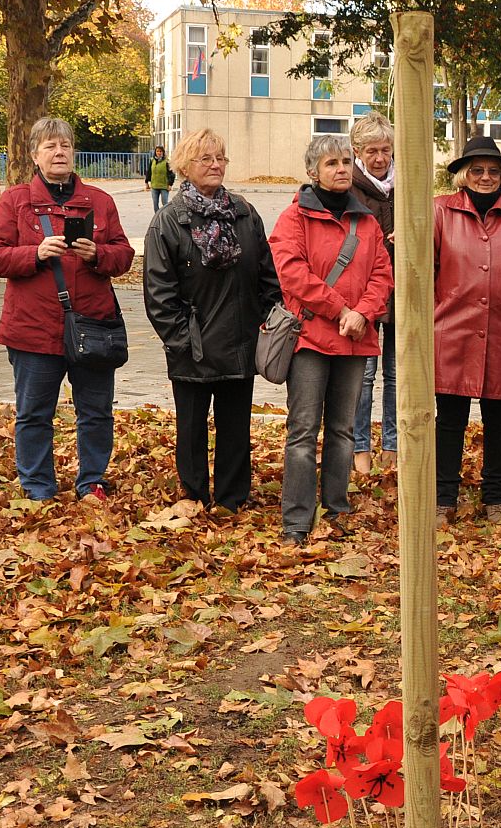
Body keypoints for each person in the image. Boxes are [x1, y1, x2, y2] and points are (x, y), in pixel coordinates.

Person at [0, 117, 135, 501]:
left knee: (96, 412)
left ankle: (92, 481)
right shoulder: (16, 200)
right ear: (35, 154)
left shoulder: (100, 201)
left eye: (65, 145)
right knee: (34, 414)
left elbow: (125, 254)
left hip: (93, 326)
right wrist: (33, 253)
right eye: (50, 146)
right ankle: (38, 487)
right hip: (33, 329)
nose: (59, 152)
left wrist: (98, 253)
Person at [143, 128, 281, 513]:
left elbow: (266, 275)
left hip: (239, 341)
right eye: (206, 158)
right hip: (195, 346)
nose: (216, 164)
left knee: (236, 427)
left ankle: (232, 498)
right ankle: (194, 496)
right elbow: (159, 295)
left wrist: (267, 321)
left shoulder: (243, 213)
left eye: (220, 157)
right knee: (191, 428)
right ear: (186, 166)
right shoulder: (168, 222)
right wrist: (185, 340)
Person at [269, 134, 393, 545]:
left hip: (355, 339)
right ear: (312, 172)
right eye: (331, 164)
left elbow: (382, 274)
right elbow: (292, 274)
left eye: (344, 161)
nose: (341, 169)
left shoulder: (367, 222)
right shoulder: (294, 219)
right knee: (303, 430)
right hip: (310, 338)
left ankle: (336, 508)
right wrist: (341, 310)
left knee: (342, 431)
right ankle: (297, 521)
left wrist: (363, 313)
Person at [431, 137, 501, 523]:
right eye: (477, 170)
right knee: (449, 419)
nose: (485, 177)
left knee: (500, 418)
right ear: (464, 174)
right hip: (451, 332)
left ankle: (494, 495)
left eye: (494, 171)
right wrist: (433, 314)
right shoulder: (440, 212)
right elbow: (424, 269)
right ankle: (444, 496)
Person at [349, 112, 398, 474]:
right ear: (357, 152)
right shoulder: (347, 186)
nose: (380, 158)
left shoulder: (407, 182)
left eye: (384, 150)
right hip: (361, 291)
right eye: (371, 151)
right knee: (363, 374)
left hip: (401, 289)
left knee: (396, 373)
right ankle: (359, 446)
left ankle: (393, 445)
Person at [145, 145, 173, 214]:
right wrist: (146, 182)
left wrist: (170, 184)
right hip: (154, 185)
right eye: (157, 151)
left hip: (164, 186)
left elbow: (171, 174)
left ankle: (166, 217)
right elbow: (149, 172)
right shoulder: (152, 160)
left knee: (165, 204)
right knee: (155, 204)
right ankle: (157, 218)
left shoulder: (166, 162)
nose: (159, 152)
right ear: (155, 152)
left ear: (163, 152)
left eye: (160, 151)